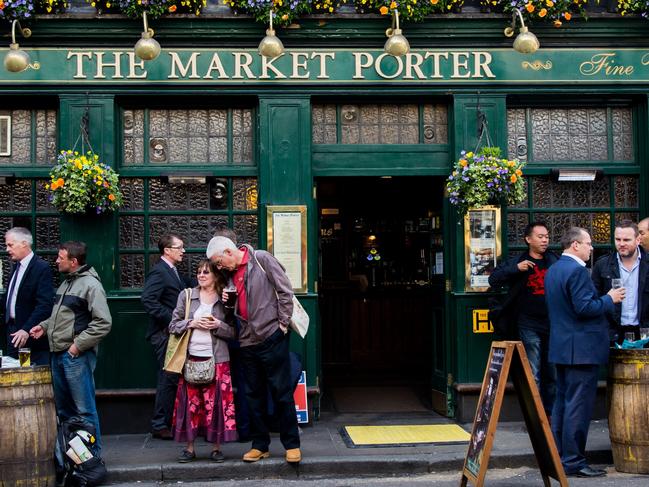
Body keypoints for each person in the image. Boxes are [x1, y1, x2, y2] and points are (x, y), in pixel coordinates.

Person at [206, 236, 301, 464]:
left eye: (219, 262)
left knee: (281, 392)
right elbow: (232, 314)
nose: (219, 268)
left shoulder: (261, 259)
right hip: (247, 341)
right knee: (253, 395)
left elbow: (285, 291)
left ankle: (292, 445)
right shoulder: (229, 276)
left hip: (271, 336)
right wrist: (228, 303)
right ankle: (260, 445)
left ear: (229, 252)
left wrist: (282, 326)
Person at [544, 227, 625, 478]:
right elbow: (584, 308)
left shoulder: (554, 269)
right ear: (575, 245)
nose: (592, 248)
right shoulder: (577, 271)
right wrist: (609, 298)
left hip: (562, 348)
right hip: (582, 350)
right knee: (578, 407)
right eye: (588, 243)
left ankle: (558, 456)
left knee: (562, 405)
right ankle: (574, 461)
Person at [29, 241, 112, 452]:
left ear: (73, 262)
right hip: (57, 354)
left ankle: (92, 458)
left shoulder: (91, 285)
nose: (56, 261)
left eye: (60, 257)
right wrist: (44, 327)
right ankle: (73, 459)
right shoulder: (66, 283)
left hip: (75, 357)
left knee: (84, 411)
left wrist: (77, 347)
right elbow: (62, 317)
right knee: (65, 411)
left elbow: (103, 323)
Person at [168, 259, 237, 463]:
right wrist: (192, 322)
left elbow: (234, 332)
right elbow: (173, 325)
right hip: (191, 359)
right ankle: (190, 449)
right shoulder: (187, 295)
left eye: (206, 272)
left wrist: (217, 325)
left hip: (218, 360)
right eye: (199, 272)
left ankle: (216, 448)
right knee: (191, 406)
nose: (201, 275)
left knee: (215, 405)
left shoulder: (225, 298)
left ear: (216, 275)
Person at [488, 222, 558, 417]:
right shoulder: (517, 261)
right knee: (533, 372)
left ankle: (551, 415)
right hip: (528, 323)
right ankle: (536, 418)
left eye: (546, 236)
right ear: (528, 239)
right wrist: (516, 269)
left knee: (552, 372)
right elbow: (493, 279)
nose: (545, 240)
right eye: (540, 236)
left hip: (552, 324)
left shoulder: (554, 260)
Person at [141, 234, 193, 440]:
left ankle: (170, 421)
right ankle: (159, 424)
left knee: (172, 378)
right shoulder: (160, 272)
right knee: (167, 378)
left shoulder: (172, 271)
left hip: (172, 334)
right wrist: (172, 319)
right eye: (179, 247)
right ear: (167, 251)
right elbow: (148, 300)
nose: (183, 251)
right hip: (164, 334)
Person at [2, 227, 54, 365]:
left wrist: (26, 329)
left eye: (10, 245)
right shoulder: (15, 267)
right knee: (13, 375)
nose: (7, 249)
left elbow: (45, 305)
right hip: (12, 333)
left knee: (29, 377)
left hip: (31, 336)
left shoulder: (41, 268)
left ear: (24, 243)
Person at [592, 220, 649, 342]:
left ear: (638, 240)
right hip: (612, 332)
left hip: (644, 332)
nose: (621, 244)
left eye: (626, 240)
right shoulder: (602, 265)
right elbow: (593, 300)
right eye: (618, 239)